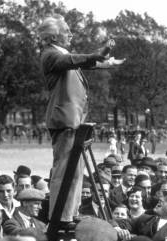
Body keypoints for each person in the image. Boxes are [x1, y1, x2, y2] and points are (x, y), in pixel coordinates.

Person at [39, 14, 123, 225]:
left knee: (76, 171)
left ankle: (70, 212)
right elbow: (72, 61)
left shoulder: (62, 53)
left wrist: (105, 62)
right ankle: (60, 216)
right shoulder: (50, 54)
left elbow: (79, 63)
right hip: (64, 120)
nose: (70, 34)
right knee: (64, 170)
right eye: (66, 30)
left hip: (73, 120)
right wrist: (97, 54)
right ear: (55, 36)